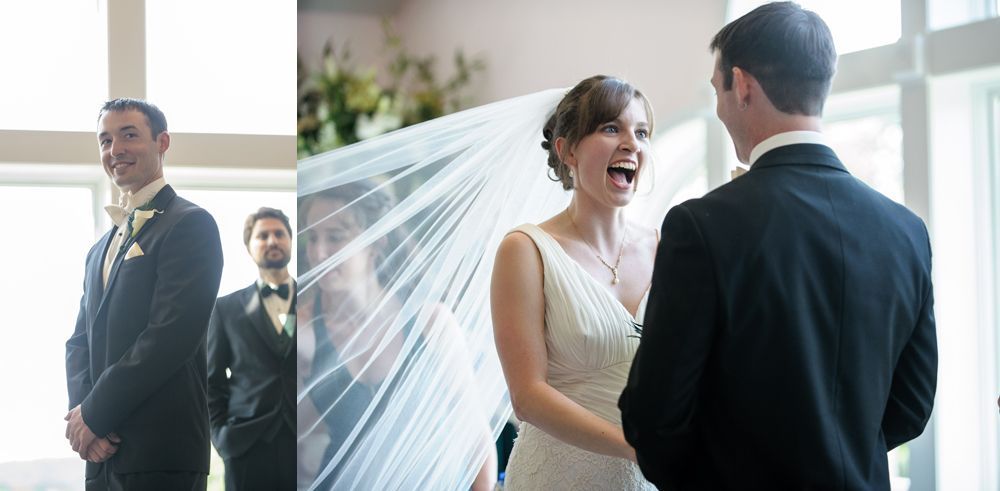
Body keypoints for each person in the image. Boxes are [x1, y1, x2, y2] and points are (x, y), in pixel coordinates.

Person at [619, 3, 938, 489]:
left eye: (717, 90)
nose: (719, 108)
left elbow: (654, 414)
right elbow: (911, 404)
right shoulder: (906, 231)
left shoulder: (700, 227)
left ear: (742, 85)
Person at [491, 75, 659, 490]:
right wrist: (636, 448)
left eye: (641, 132)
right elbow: (527, 396)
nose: (631, 143)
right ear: (567, 151)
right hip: (559, 475)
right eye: (611, 128)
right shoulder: (525, 250)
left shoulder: (666, 246)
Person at [64, 98, 224, 490]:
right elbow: (80, 341)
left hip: (161, 452)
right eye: (105, 140)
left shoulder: (192, 225)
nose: (115, 149)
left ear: (162, 142)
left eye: (129, 135)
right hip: (101, 455)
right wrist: (85, 421)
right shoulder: (99, 248)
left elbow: (170, 336)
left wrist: (96, 414)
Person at [297, 181, 497, 490]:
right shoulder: (302, 331)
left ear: (375, 243)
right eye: (312, 238)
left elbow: (473, 436)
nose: (318, 253)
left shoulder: (431, 323)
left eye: (334, 237)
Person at [207, 207, 296, 490]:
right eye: (263, 235)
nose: (272, 241)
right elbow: (211, 382)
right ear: (249, 247)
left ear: (290, 240)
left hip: (308, 443)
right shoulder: (225, 309)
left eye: (279, 234)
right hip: (246, 446)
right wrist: (222, 438)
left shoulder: (317, 299)